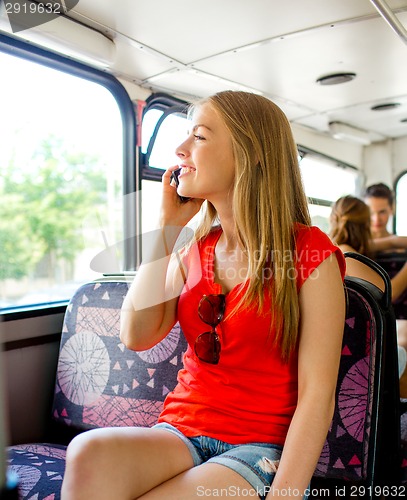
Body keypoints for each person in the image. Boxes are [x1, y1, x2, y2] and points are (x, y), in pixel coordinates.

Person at [61, 91, 346, 500]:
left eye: (199, 136)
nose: (179, 150)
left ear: (252, 154)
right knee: (87, 452)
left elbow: (319, 395)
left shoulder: (309, 252)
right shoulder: (195, 248)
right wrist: (167, 227)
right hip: (180, 431)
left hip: (260, 447)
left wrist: (286, 495)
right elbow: (135, 334)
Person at [329, 195, 407, 394]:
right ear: (364, 226)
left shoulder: (336, 245)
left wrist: (389, 242)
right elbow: (386, 294)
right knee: (403, 345)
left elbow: (387, 243)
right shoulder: (347, 255)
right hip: (352, 354)